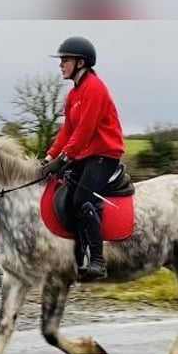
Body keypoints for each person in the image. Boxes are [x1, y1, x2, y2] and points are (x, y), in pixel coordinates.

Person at [40, 36, 126, 281]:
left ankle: (98, 260)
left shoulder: (95, 88)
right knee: (63, 195)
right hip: (85, 155)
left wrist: (65, 157)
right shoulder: (73, 95)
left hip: (104, 154)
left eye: (65, 60)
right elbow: (66, 131)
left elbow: (85, 131)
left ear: (80, 62)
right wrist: (49, 158)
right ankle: (77, 254)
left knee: (81, 199)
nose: (61, 65)